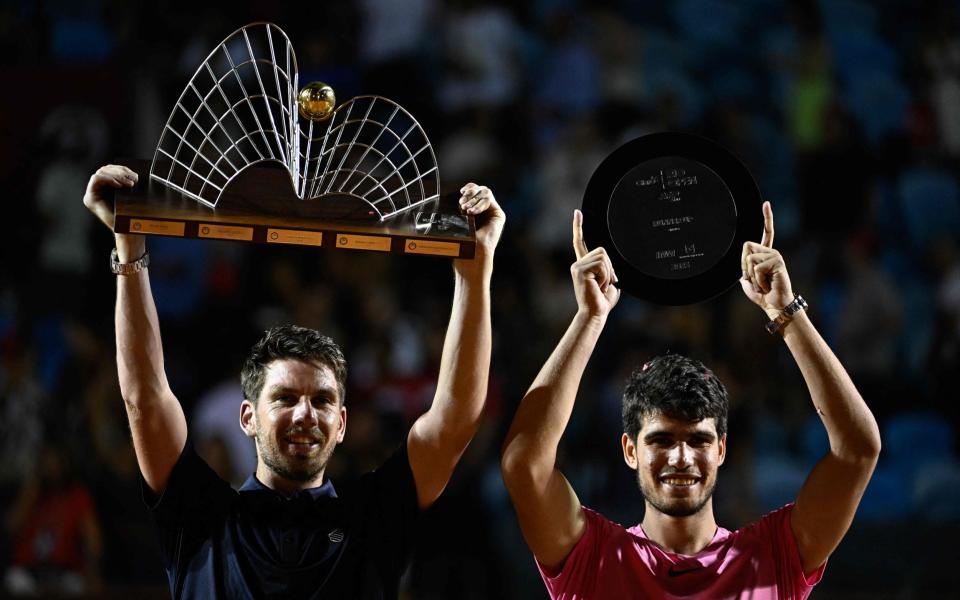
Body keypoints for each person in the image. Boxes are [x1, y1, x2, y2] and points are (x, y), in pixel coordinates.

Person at [83, 164, 505, 599]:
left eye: (322, 401)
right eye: (285, 398)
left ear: (341, 424)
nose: (306, 413)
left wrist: (476, 271)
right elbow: (145, 399)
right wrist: (128, 246)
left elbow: (455, 421)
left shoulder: (371, 515)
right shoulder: (202, 514)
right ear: (246, 416)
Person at [501, 204, 881, 599]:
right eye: (662, 440)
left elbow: (858, 449)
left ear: (721, 448)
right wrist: (589, 319)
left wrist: (786, 313)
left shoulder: (772, 556)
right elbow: (523, 464)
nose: (681, 457)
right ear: (630, 449)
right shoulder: (593, 557)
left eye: (698, 440)